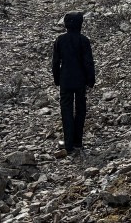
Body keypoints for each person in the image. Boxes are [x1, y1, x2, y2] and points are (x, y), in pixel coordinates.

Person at [51, 11, 95, 156]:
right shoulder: (84, 40)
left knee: (66, 110)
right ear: (80, 24)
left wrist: (57, 79)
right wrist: (91, 79)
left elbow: (56, 62)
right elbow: (88, 62)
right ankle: (78, 141)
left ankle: (68, 143)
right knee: (81, 109)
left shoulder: (60, 40)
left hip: (65, 79)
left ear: (65, 25)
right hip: (80, 80)